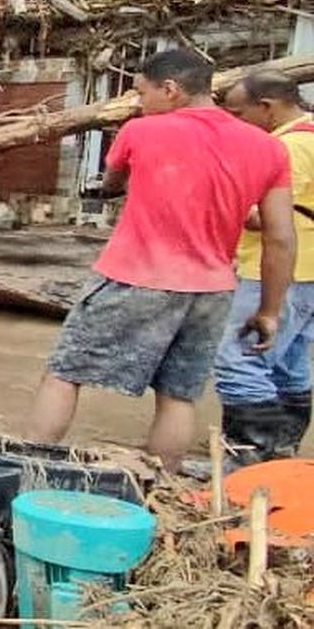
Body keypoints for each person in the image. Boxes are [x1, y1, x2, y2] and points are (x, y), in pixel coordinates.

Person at [25, 49, 296, 471]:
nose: (138, 102)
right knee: (178, 395)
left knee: (65, 372)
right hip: (212, 291)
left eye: (141, 92)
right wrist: (270, 311)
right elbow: (279, 235)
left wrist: (119, 178)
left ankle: (26, 467)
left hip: (136, 277)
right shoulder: (268, 149)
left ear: (170, 90)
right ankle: (157, 490)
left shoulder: (143, 131)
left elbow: (112, 182)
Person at [210, 71, 314, 465]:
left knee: (239, 360)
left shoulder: (288, 147)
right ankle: (284, 452)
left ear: (266, 107)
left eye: (238, 113)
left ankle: (248, 458)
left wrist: (222, 202)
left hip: (274, 271)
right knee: (289, 363)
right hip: (307, 271)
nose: (234, 123)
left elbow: (267, 218)